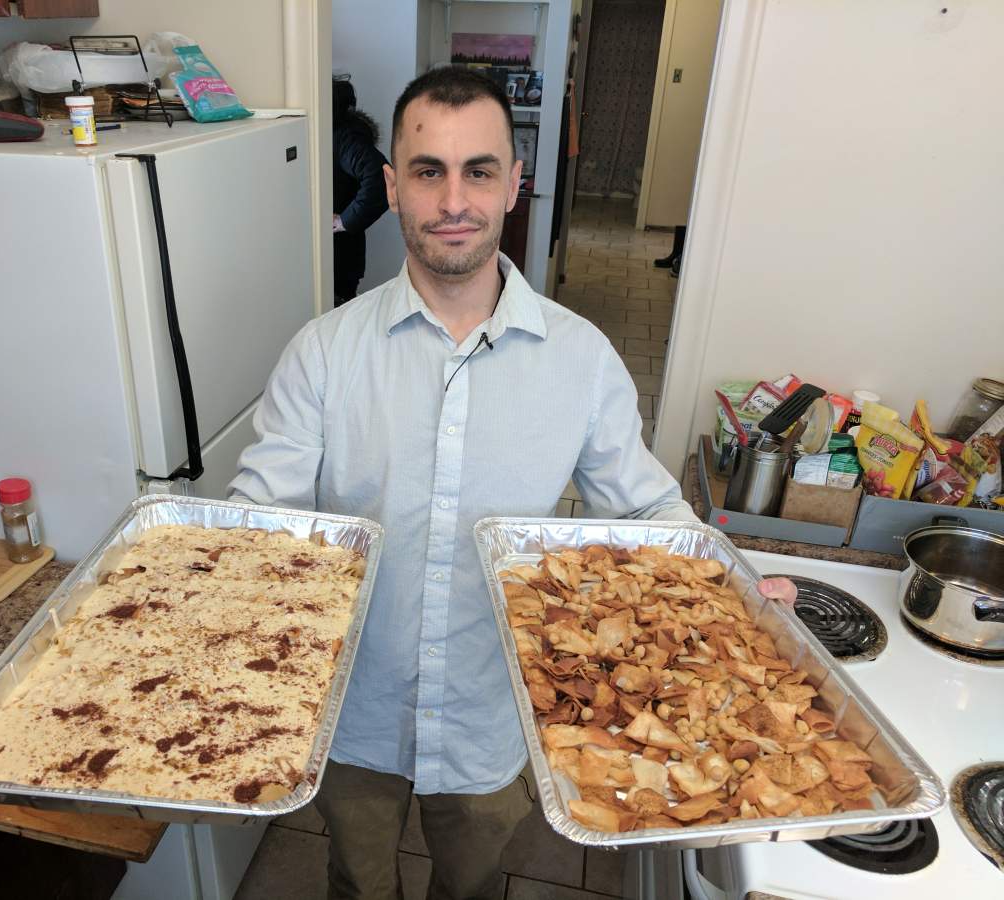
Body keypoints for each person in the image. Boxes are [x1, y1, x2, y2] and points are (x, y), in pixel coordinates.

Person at [230, 66, 796, 900]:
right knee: (356, 881)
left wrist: (732, 584)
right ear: (392, 186)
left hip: (494, 712)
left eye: (479, 171)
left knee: (470, 883)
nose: (453, 200)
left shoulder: (579, 358)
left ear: (513, 183)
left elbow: (643, 508)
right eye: (429, 171)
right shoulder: (324, 351)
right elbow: (257, 521)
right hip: (353, 707)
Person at [332, 76, 390, 305]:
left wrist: (345, 221)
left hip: (339, 258)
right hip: (337, 257)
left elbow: (381, 178)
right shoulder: (339, 134)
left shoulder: (345, 138)